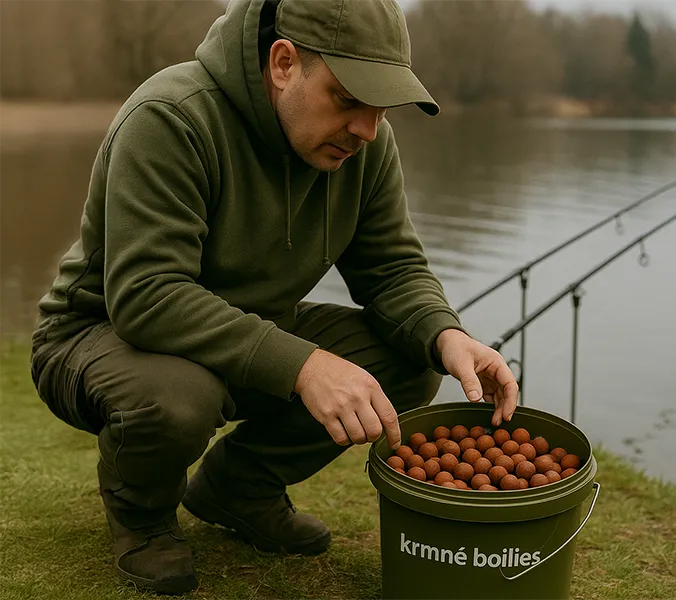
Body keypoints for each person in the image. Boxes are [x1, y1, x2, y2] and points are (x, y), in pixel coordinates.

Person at [29, 0, 519, 594]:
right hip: (98, 335)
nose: (366, 129)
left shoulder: (365, 146)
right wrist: (305, 365)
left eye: (381, 107)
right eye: (347, 99)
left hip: (242, 331)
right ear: (284, 63)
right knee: (181, 396)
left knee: (412, 360)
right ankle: (143, 522)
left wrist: (449, 336)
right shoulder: (171, 117)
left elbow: (391, 271)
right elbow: (147, 295)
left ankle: (238, 488)